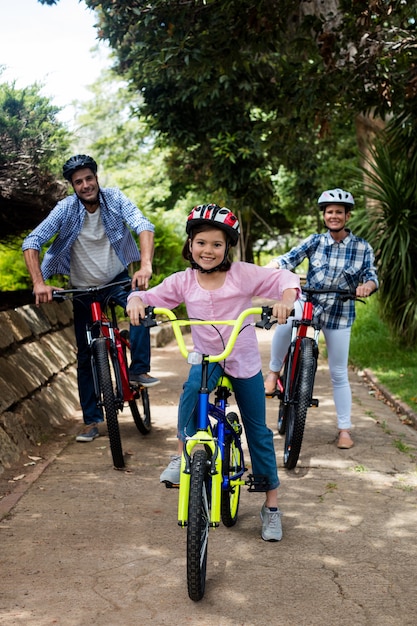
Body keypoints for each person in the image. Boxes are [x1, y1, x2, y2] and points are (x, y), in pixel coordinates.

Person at [126, 203, 301, 541]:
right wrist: (136, 300)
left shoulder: (242, 275)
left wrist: (285, 299)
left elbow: (284, 278)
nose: (208, 250)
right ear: (190, 245)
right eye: (201, 242)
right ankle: (182, 454)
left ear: (227, 248)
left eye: (217, 244)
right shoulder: (183, 281)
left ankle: (272, 507)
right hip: (207, 357)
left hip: (243, 359)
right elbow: (147, 295)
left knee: (257, 431)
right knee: (192, 391)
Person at [22, 154, 160, 443]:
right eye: (78, 182)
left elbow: (143, 224)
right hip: (82, 290)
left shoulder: (115, 198)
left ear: (96, 178)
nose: (85, 185)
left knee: (141, 307)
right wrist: (39, 283)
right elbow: (32, 241)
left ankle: (138, 370)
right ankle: (91, 420)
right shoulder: (65, 209)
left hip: (117, 280)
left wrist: (146, 265)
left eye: (89, 178)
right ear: (72, 186)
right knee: (85, 356)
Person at [264, 188, 379, 449]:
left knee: (339, 372)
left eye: (339, 212)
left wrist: (366, 287)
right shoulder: (315, 241)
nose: (334, 216)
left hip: (340, 313)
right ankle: (273, 373)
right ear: (324, 215)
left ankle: (344, 430)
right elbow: (288, 259)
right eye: (330, 212)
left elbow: (371, 276)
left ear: (347, 216)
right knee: (287, 321)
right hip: (310, 304)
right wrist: (270, 267)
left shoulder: (362, 247)